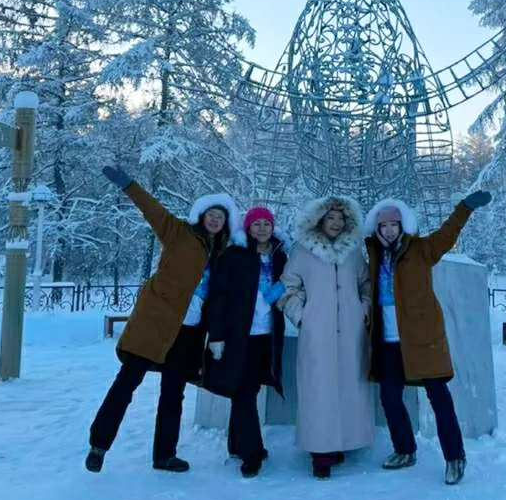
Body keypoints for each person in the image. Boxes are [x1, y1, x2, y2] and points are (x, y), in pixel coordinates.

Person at [85, 165, 240, 474]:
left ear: (225, 224)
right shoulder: (178, 232)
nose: (215, 220)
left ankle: (164, 455)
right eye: (211, 214)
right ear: (201, 215)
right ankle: (98, 446)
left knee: (173, 394)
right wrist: (129, 185)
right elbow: (151, 208)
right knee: (126, 383)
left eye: (220, 217)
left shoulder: (223, 254)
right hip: (156, 323)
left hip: (189, 333)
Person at [363, 189, 492, 485]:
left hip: (423, 339)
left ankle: (454, 456)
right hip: (387, 341)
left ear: (403, 225)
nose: (388, 229)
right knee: (390, 398)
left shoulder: (421, 249)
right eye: (383, 225)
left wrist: (464, 208)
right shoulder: (371, 254)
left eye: (394, 224)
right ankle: (405, 449)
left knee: (439, 398)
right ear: (376, 227)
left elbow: (448, 234)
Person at [278, 195, 373, 479]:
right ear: (319, 219)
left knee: (348, 387)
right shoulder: (302, 251)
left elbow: (366, 283)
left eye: (341, 218)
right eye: (330, 217)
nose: (335, 223)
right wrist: (302, 316)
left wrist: (363, 309)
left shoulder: (354, 251)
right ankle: (320, 451)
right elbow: (288, 288)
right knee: (318, 390)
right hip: (316, 331)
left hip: (351, 332)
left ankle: (341, 441)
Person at [203, 206, 288, 478]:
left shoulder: (279, 257)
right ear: (247, 227)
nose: (262, 228)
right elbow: (218, 297)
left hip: (267, 336)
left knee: (247, 391)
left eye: (267, 223)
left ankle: (237, 444)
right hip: (238, 336)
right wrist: (216, 335)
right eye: (256, 223)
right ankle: (252, 454)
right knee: (242, 392)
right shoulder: (234, 256)